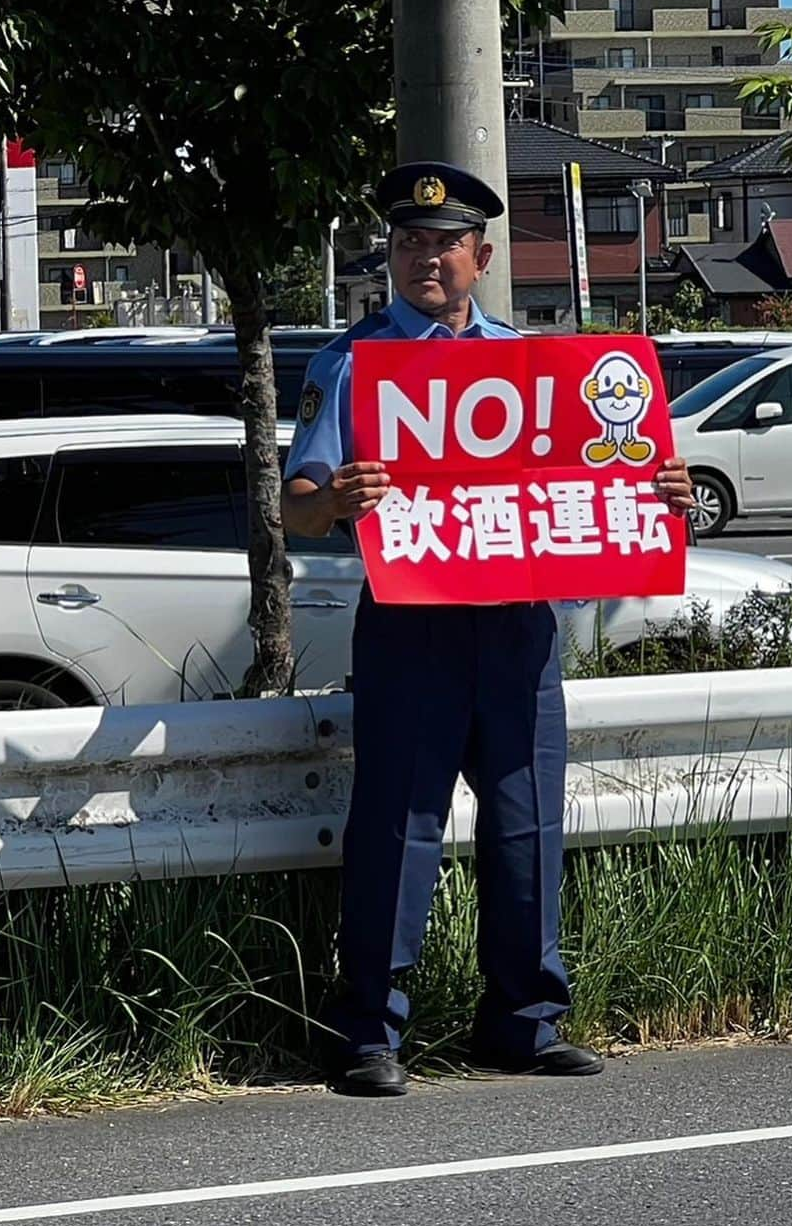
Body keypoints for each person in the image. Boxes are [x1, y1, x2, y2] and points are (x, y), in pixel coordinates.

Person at [282, 161, 694, 1097]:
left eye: (444, 243)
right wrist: (334, 498)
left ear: (483, 257)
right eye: (407, 242)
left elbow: (606, 484)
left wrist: (662, 494)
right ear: (388, 255)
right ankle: (367, 1033)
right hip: (410, 624)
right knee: (397, 827)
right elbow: (294, 508)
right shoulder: (348, 365)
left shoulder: (538, 366)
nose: (425, 257)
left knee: (527, 826)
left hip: (517, 627)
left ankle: (524, 1021)